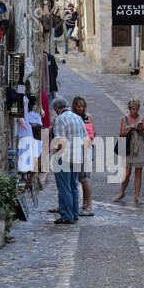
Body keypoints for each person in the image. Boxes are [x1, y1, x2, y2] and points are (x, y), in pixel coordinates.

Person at [51, 94, 87, 223]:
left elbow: (60, 141)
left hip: (64, 157)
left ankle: (66, 216)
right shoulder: (78, 118)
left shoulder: (60, 119)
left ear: (56, 108)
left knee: (64, 187)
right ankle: (74, 213)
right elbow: (85, 138)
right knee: (74, 186)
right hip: (77, 156)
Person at [113, 97, 144, 204]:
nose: (134, 111)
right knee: (127, 173)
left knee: (138, 172)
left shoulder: (143, 119)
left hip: (140, 146)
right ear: (129, 109)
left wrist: (141, 129)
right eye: (133, 109)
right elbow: (121, 134)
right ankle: (122, 192)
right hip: (128, 147)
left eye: (136, 109)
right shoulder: (124, 118)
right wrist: (131, 127)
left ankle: (137, 196)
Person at [72, 95, 95, 216]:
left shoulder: (88, 117)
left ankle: (90, 206)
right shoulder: (73, 117)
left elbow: (93, 133)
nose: (80, 108)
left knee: (85, 178)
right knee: (81, 178)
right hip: (77, 149)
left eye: (82, 106)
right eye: (78, 106)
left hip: (85, 149)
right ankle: (85, 204)